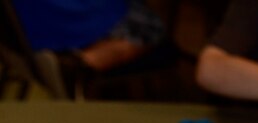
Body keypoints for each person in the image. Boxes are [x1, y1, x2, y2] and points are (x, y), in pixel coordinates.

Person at [12, 0, 165, 73]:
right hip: (65, 17)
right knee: (150, 27)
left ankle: (69, 63)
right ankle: (82, 63)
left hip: (19, 26)